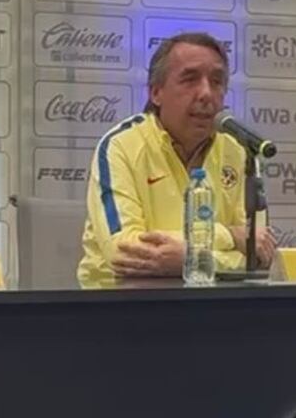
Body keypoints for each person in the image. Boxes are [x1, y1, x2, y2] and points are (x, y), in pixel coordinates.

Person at [77, 32, 276, 281]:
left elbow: (258, 255)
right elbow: (124, 252)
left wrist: (186, 258)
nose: (206, 93)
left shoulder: (238, 150)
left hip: (216, 306)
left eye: (216, 81)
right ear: (156, 92)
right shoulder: (121, 146)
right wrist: (230, 237)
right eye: (190, 79)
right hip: (121, 306)